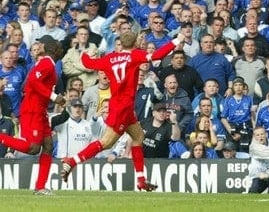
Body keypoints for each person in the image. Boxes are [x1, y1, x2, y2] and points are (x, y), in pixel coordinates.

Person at [61, 31, 185, 191]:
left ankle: (141, 180)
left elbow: (88, 64)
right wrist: (177, 40)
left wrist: (86, 53)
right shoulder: (135, 56)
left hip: (122, 107)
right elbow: (158, 55)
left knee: (139, 137)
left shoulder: (109, 58)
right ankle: (72, 162)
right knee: (106, 143)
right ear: (134, 44)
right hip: (123, 108)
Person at [0, 37, 65, 195]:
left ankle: (40, 187)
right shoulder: (47, 62)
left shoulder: (48, 63)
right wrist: (53, 96)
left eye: (41, 43)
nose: (38, 45)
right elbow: (32, 83)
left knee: (48, 145)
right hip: (32, 109)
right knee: (33, 148)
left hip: (40, 110)